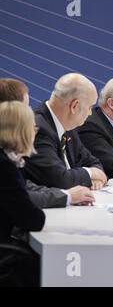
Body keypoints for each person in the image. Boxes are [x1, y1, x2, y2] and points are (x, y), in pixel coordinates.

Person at [0, 78, 95, 208]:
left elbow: (23, 185)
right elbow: (20, 198)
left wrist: (67, 195)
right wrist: (67, 196)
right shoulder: (40, 127)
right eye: (26, 107)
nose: (31, 113)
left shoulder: (67, 126)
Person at [24, 73, 107, 189]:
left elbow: (92, 161)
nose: (90, 113)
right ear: (75, 106)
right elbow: (58, 179)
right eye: (89, 107)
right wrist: (90, 174)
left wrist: (96, 176)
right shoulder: (37, 128)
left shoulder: (67, 125)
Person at [0, 101, 45, 286]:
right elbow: (33, 219)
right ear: (22, 131)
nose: (34, 133)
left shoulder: (9, 161)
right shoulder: (5, 167)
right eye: (32, 128)